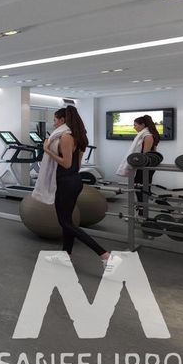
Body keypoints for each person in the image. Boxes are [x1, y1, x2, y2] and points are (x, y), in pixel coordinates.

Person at [34, 106, 113, 266]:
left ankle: (105, 255)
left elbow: (66, 163)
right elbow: (77, 164)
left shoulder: (65, 137)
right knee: (67, 221)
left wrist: (46, 149)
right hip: (73, 180)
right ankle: (66, 255)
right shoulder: (78, 136)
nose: (54, 123)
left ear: (62, 120)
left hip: (66, 183)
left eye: (55, 120)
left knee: (65, 223)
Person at [116, 114, 160, 215]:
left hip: (146, 167)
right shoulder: (145, 135)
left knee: (142, 190)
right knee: (142, 190)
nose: (134, 127)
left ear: (143, 125)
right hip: (144, 166)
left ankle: (144, 212)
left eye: (135, 125)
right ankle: (142, 211)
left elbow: (145, 155)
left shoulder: (148, 136)